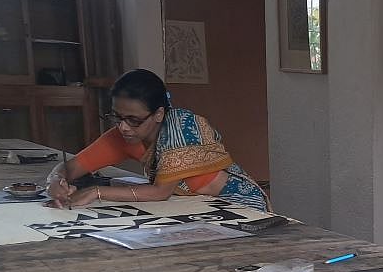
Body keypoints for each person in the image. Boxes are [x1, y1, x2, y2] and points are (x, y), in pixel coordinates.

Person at [45, 69, 268, 211]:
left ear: (159, 114)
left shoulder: (182, 127)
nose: (123, 127)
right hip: (195, 207)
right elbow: (71, 167)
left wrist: (96, 192)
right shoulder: (123, 135)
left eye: (133, 119)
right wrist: (56, 181)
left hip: (238, 205)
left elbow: (160, 192)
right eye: (117, 117)